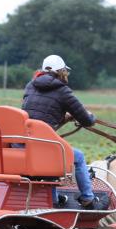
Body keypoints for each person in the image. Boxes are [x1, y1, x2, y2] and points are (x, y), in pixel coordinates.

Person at [22, 55, 98, 208]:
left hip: (24, 142)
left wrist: (64, 117)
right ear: (61, 72)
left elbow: (40, 115)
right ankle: (87, 198)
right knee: (78, 157)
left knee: (52, 149)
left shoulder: (30, 85)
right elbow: (87, 121)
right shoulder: (63, 91)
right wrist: (92, 116)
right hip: (42, 146)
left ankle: (54, 198)